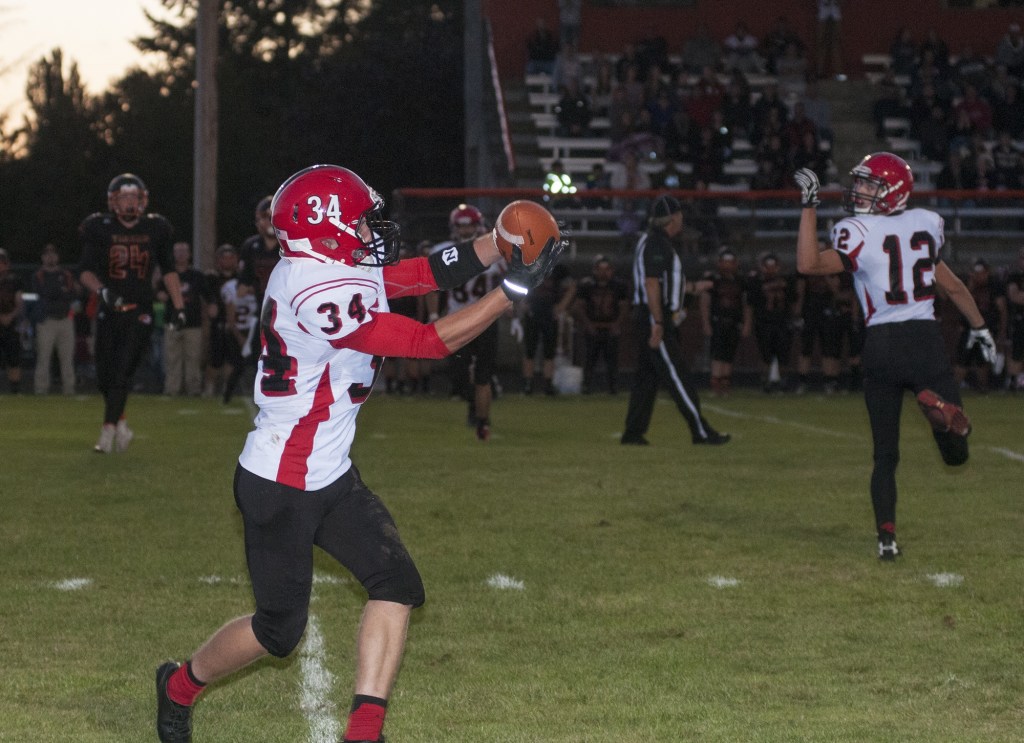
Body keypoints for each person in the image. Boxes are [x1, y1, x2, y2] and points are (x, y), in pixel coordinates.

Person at [154, 164, 564, 743]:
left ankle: (364, 732)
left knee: (397, 584)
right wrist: (510, 292)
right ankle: (178, 685)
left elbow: (421, 273)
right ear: (325, 231)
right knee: (279, 631)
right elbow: (425, 341)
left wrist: (497, 245)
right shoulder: (313, 288)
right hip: (281, 481)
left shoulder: (330, 264)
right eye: (360, 220)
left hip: (332, 473)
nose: (372, 230)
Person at [793, 154, 996, 560]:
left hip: (880, 346)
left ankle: (887, 538)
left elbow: (807, 263)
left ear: (893, 190)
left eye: (870, 185)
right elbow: (953, 288)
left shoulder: (856, 231)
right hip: (924, 342)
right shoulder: (926, 223)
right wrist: (980, 327)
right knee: (956, 454)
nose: (861, 191)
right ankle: (935, 407)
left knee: (885, 455)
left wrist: (809, 206)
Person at [77, 174, 186, 453]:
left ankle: (107, 432)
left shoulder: (156, 228)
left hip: (141, 309)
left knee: (123, 370)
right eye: (124, 197)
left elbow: (169, 270)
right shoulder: (99, 227)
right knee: (104, 374)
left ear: (142, 200)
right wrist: (102, 291)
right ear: (114, 201)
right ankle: (121, 422)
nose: (129, 202)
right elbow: (85, 271)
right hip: (110, 307)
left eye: (133, 197)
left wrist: (179, 306)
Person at [620, 195, 730, 447]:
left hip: (651, 316)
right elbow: (651, 283)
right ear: (674, 218)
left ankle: (633, 432)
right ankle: (700, 430)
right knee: (677, 375)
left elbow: (666, 284)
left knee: (646, 379)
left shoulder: (657, 242)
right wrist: (658, 322)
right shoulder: (656, 244)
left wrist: (692, 287)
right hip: (654, 318)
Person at [426, 203, 506, 441]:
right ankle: (474, 407)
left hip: (485, 320)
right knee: (460, 376)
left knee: (483, 375)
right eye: (462, 227)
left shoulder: (493, 250)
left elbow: (508, 283)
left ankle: (483, 421)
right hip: (456, 320)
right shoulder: (445, 250)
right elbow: (431, 286)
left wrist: (511, 309)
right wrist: (433, 315)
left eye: (469, 225)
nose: (465, 231)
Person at [159, 242, 210, 397]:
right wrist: (161, 295)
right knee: (172, 358)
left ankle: (193, 389)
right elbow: (159, 293)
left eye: (183, 251)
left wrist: (211, 306)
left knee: (193, 358)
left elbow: (207, 295)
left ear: (189, 254)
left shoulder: (196, 275)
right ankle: (172, 389)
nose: (180, 254)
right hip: (172, 321)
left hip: (193, 322)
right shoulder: (167, 274)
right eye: (177, 251)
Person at [519, 259, 576, 396]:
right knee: (530, 349)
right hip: (533, 311)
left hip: (550, 313)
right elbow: (517, 283)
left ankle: (547, 384)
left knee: (549, 351)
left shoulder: (558, 267)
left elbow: (572, 287)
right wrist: (522, 302)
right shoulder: (528, 262)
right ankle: (528, 384)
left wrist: (562, 306)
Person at [574, 255, 629, 394]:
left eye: (607, 269)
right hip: (593, 326)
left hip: (610, 326)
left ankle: (613, 387)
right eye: (600, 269)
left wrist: (617, 324)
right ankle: (586, 386)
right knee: (590, 359)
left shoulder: (619, 286)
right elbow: (579, 307)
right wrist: (588, 324)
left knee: (612, 360)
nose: (603, 273)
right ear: (594, 270)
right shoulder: (586, 285)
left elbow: (624, 307)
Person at [700, 248, 751, 397]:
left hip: (734, 322)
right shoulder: (713, 279)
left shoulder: (741, 280)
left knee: (729, 354)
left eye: (730, 262)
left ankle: (725, 384)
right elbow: (705, 302)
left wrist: (747, 323)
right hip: (717, 321)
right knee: (717, 354)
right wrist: (706, 323)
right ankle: (716, 385)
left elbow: (746, 303)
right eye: (725, 262)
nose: (728, 266)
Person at [745, 252, 798, 393]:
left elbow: (793, 301)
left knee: (784, 355)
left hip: (783, 321)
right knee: (765, 354)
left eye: (773, 266)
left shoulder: (787, 280)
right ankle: (765, 381)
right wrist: (748, 324)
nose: (770, 269)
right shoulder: (756, 281)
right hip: (764, 321)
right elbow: (750, 304)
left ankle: (783, 381)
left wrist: (795, 318)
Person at [31, 243, 79, 395]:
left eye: (53, 254)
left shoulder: (67, 274)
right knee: (43, 357)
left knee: (67, 358)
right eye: (47, 254)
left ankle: (69, 389)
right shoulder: (38, 275)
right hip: (47, 321)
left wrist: (60, 293)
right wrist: (60, 292)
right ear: (43, 257)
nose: (50, 257)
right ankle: (40, 389)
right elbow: (44, 293)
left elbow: (73, 294)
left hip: (65, 319)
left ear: (57, 257)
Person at [953, 259, 1007, 393]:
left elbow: (1002, 310)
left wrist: (1001, 333)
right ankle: (953, 390)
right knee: (962, 361)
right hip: (969, 328)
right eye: (977, 273)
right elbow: (960, 303)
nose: (979, 276)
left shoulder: (994, 286)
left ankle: (983, 389)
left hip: (986, 329)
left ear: (987, 272)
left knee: (983, 362)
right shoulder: (969, 285)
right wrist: (971, 286)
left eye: (982, 273)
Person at [202, 244, 241, 398]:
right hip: (217, 323)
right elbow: (206, 297)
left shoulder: (241, 278)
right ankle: (209, 388)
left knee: (232, 359)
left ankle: (227, 388)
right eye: (224, 258)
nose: (227, 261)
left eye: (230, 258)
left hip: (236, 324)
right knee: (215, 359)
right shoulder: (212, 278)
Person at [237, 195, 280, 309]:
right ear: (258, 220)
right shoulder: (251, 246)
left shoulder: (290, 244)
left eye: (273, 217)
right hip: (261, 309)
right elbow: (241, 289)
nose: (270, 221)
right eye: (266, 217)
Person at [0, 248, 25, 394]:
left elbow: (19, 301)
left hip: (10, 322)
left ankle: (15, 389)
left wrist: (11, 316)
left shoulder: (14, 280)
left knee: (13, 357)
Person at [1006, 247, 1024, 391]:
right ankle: (1014, 383)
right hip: (1020, 319)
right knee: (1017, 352)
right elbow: (1015, 297)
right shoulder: (1015, 277)